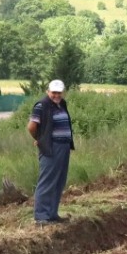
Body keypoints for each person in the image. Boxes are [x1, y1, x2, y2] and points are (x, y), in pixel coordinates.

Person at [27, 79, 74, 224]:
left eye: (59, 93)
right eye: (54, 92)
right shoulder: (42, 106)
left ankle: (52, 214)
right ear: (48, 92)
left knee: (59, 181)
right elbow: (31, 127)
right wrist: (40, 139)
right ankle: (41, 216)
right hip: (51, 147)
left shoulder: (61, 104)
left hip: (64, 147)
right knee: (47, 181)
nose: (56, 95)